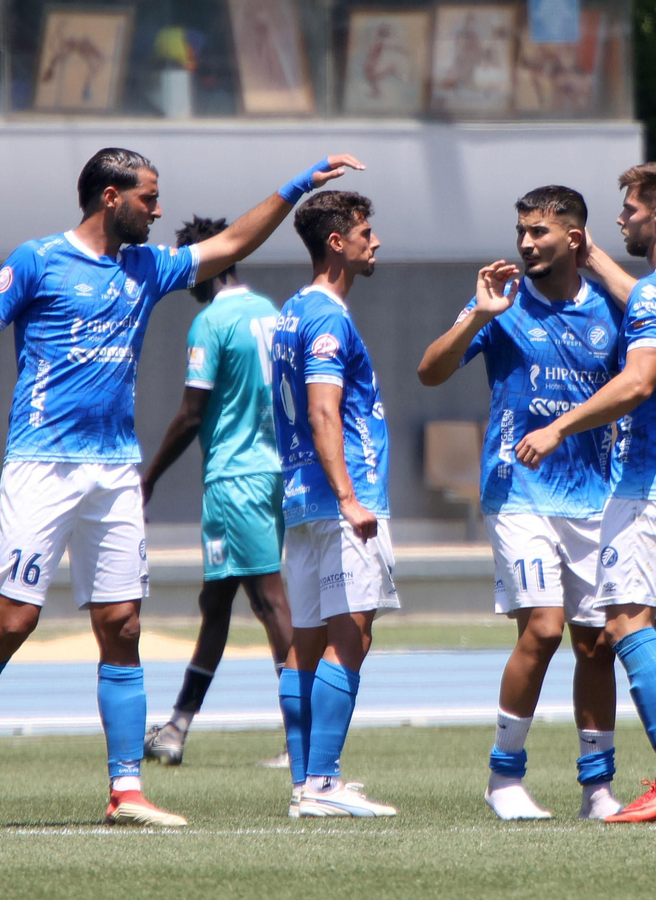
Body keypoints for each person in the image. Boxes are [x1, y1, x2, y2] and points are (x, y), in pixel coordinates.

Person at [0, 148, 364, 830]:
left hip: (115, 470)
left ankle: (125, 788)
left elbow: (236, 240)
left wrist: (300, 183)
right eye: (147, 199)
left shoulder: (148, 269)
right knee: (15, 622)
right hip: (42, 465)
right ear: (108, 198)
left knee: (123, 624)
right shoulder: (37, 259)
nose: (157, 211)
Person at [515, 161, 656, 822]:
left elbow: (636, 383)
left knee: (626, 618)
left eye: (629, 210)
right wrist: (597, 257)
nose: (620, 218)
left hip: (651, 482)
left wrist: (558, 427)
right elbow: (650, 302)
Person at [416, 186, 625, 821]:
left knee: (595, 644)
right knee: (543, 628)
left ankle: (597, 789)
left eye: (540, 232)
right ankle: (504, 777)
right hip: (518, 494)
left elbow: (638, 386)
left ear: (575, 239)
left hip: (595, 496)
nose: (527, 243)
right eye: (522, 231)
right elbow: (429, 370)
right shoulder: (500, 304)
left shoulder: (612, 312)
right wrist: (478, 316)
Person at [139, 215, 294, 769]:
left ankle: (300, 740)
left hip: (234, 476)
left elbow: (190, 413)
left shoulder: (211, 323)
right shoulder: (273, 316)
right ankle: (177, 726)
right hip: (274, 470)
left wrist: (148, 477)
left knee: (269, 601)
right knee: (217, 602)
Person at [272, 190, 397, 818]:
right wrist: (350, 497)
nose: (375, 241)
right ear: (336, 243)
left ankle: (305, 783)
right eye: (365, 232)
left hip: (301, 502)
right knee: (350, 638)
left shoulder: (291, 312)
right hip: (339, 500)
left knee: (306, 640)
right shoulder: (327, 317)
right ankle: (323, 783)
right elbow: (323, 408)